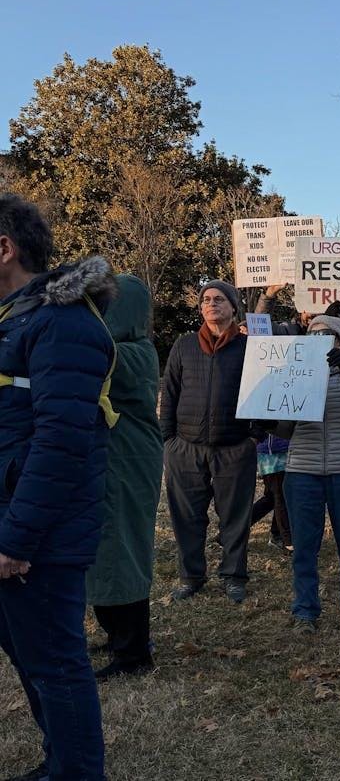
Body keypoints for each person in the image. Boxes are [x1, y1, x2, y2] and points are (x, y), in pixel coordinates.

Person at [0, 195, 116, 781]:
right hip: (15, 521)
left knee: (56, 662)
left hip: (37, 531)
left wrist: (16, 539)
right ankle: (61, 763)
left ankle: (76, 772)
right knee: (31, 656)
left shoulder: (60, 323)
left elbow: (61, 443)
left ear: (4, 249)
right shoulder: (18, 320)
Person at [161, 279, 258, 604]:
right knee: (186, 516)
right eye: (205, 299)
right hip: (185, 448)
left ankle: (233, 576)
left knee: (234, 516)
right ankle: (191, 576)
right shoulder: (184, 345)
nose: (211, 304)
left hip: (234, 448)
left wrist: (253, 437)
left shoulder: (249, 349)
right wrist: (169, 440)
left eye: (219, 299)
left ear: (233, 307)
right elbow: (170, 392)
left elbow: (262, 392)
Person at [87, 274, 163, 682]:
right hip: (111, 461)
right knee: (104, 553)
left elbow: (92, 358)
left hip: (128, 463)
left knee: (123, 553)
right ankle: (117, 635)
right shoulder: (122, 348)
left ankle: (134, 653)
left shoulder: (133, 352)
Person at [281, 316, 340, 632]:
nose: (321, 339)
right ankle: (305, 613)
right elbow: (282, 422)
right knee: (305, 549)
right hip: (302, 471)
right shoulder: (295, 374)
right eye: (315, 334)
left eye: (329, 335)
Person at [250, 433, 293, 551]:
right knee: (280, 496)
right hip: (272, 452)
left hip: (287, 449)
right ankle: (287, 541)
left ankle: (231, 532)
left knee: (272, 498)